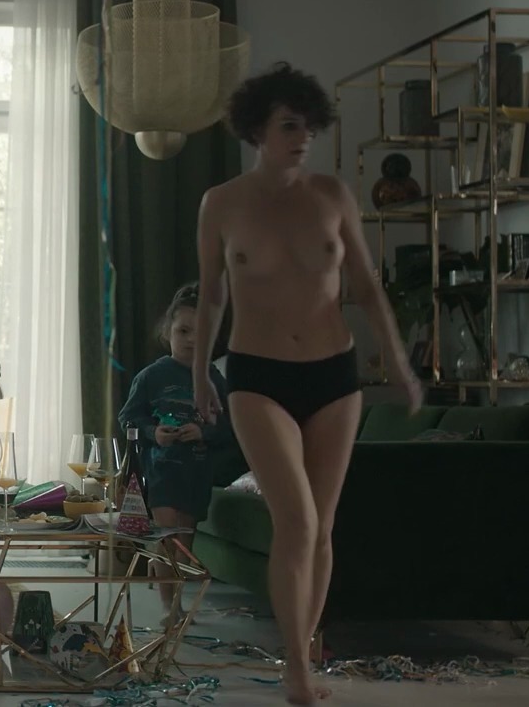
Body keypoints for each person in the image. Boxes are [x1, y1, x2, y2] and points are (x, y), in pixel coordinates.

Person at [191, 63, 421, 704]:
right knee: (295, 519)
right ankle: (295, 666)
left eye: (309, 128)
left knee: (322, 527)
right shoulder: (221, 203)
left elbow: (367, 287)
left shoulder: (332, 195)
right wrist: (200, 372)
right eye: (289, 126)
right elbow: (211, 296)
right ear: (256, 131)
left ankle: (305, 650)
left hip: (334, 375)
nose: (302, 138)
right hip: (256, 375)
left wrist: (399, 363)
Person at [118, 282, 235, 624]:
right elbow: (128, 417)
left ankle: (178, 604)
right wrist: (153, 432)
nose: (191, 340)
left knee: (184, 542)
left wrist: (204, 432)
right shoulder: (151, 376)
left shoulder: (215, 379)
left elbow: (230, 426)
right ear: (167, 331)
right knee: (166, 539)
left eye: (201, 333)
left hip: (196, 474)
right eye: (183, 331)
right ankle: (167, 607)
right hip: (161, 472)